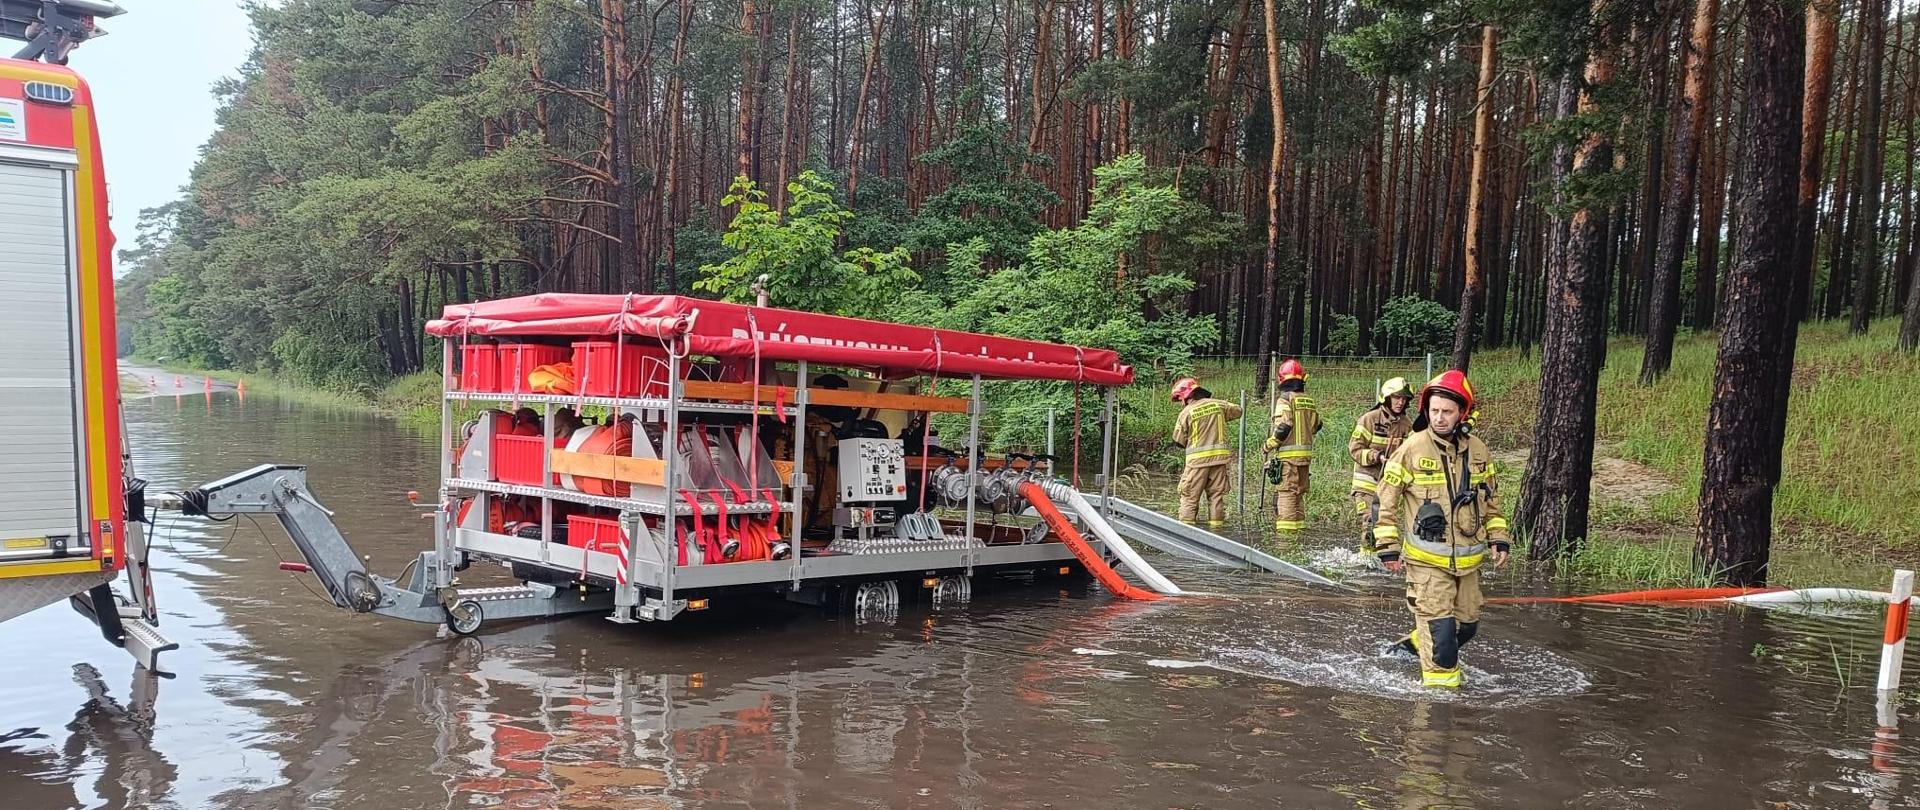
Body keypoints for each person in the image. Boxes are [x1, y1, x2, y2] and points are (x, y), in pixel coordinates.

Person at [1372, 369, 1511, 689]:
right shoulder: (1412, 449)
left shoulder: (1478, 451)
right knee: (1443, 646)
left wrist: (1499, 537)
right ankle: (1439, 714)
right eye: (1433, 411)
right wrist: (1387, 546)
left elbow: (1491, 500)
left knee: (1467, 627)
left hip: (1468, 565)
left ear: (1463, 412)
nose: (1439, 418)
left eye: (1447, 411)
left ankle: (1415, 646)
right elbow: (1384, 501)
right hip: (1426, 565)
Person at [1349, 377, 1414, 554]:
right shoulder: (1369, 419)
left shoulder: (1406, 425)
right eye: (1396, 397)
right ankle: (1366, 562)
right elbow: (1354, 450)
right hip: (1366, 482)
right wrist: (1376, 456)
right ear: (1386, 398)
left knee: (1384, 524)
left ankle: (1381, 557)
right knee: (1370, 520)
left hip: (1388, 484)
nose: (1400, 402)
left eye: (1404, 398)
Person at [1170, 377, 1243, 529]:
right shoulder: (1219, 405)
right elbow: (1238, 410)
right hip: (1219, 461)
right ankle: (1217, 532)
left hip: (1196, 463)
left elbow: (1178, 441)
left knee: (1189, 498)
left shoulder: (1186, 412)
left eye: (1180, 399)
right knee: (1216, 498)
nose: (1181, 403)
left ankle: (1186, 534)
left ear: (1186, 396)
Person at [1264, 358, 1319, 538]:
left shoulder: (1284, 400)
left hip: (1288, 457)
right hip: (1305, 457)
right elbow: (1318, 424)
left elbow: (1284, 426)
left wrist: (1269, 444)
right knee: (1299, 494)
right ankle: (1299, 533)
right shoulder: (1307, 401)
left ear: (1282, 380)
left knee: (1287, 493)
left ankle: (1286, 539)